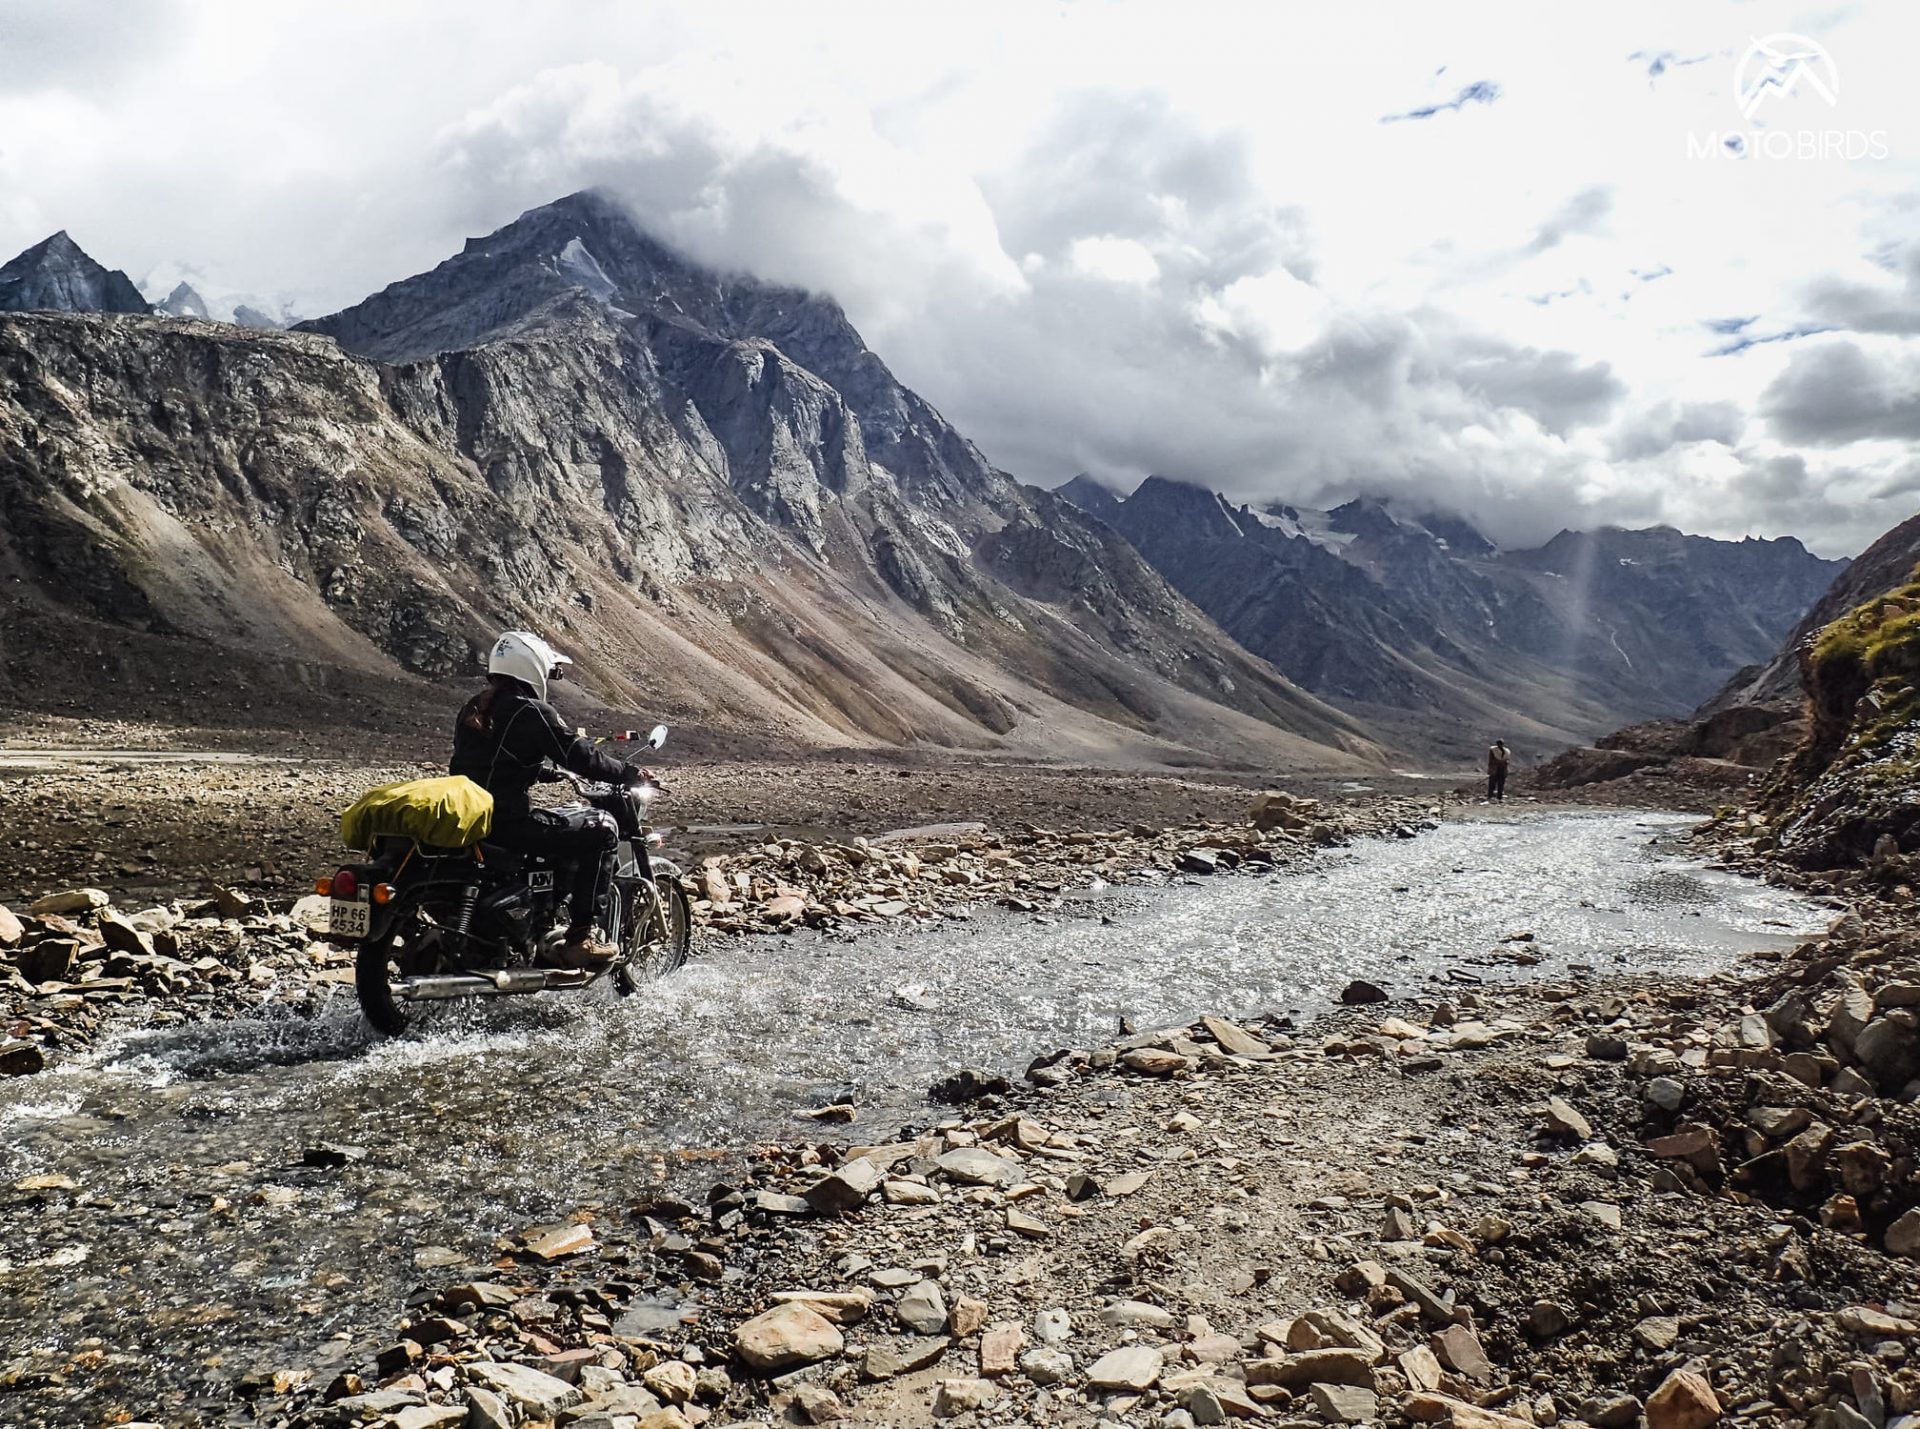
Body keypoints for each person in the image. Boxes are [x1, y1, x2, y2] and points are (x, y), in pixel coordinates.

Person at [449, 631, 640, 968]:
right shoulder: (530, 710)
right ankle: (580, 938)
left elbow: (488, 762)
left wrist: (543, 773)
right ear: (532, 667)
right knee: (602, 830)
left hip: (470, 815)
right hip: (507, 821)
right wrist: (628, 773)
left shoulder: (475, 706)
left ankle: (536, 922)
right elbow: (578, 755)